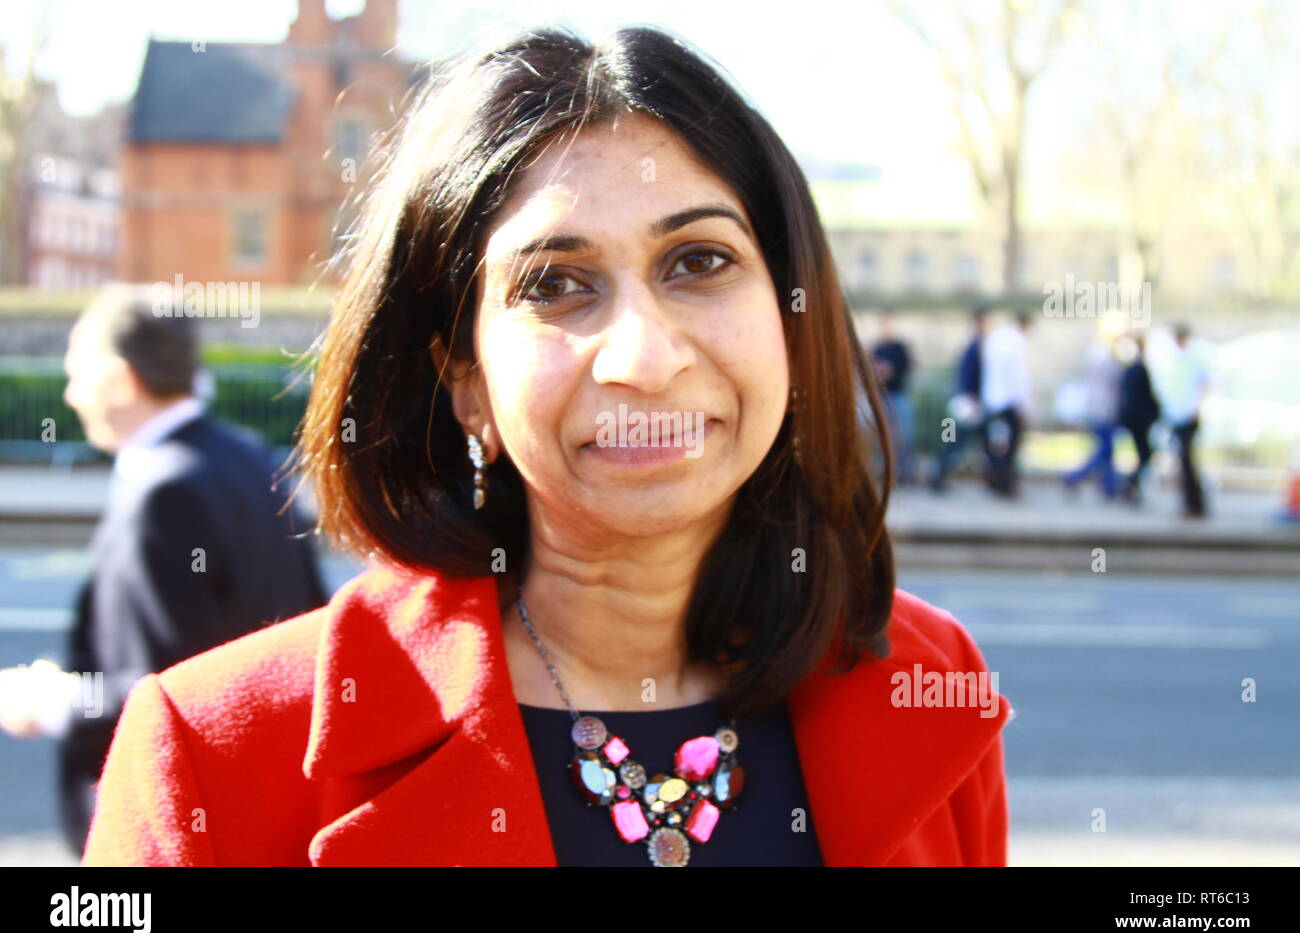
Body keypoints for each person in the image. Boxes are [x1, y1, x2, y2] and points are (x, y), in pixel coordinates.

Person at [81, 25, 1010, 867]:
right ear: (465, 377)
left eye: (699, 262)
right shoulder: (213, 755)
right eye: (557, 284)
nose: (644, 358)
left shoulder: (930, 684)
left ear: (790, 318)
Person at [0, 284, 329, 858]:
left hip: (181, 829)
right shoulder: (249, 455)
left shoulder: (162, 491)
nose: (71, 394)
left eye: (77, 373)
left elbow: (162, 690)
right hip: (267, 807)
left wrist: (50, 702)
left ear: (120, 380)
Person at [1156, 322, 1211, 518]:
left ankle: (1194, 503)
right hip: (1177, 414)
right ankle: (1190, 502)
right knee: (1182, 461)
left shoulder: (1195, 358)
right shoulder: (1174, 358)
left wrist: (1195, 408)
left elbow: (1205, 383)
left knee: (1187, 461)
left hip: (1188, 415)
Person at [930, 307, 987, 493]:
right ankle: (937, 477)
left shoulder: (973, 346)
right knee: (952, 441)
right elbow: (968, 376)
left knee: (953, 440)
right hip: (965, 404)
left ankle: (939, 476)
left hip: (963, 402)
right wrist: (973, 396)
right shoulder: (974, 348)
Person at [1062, 329, 1123, 499]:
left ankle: (1109, 486)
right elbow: (1115, 377)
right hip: (1103, 411)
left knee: (1107, 451)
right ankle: (1074, 476)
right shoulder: (1104, 357)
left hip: (1100, 409)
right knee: (1104, 450)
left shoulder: (1098, 355)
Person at [980, 311, 1034, 498]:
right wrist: (1024, 406)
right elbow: (1018, 377)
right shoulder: (1017, 342)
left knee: (996, 444)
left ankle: (995, 480)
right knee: (1009, 448)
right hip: (1009, 403)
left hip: (992, 401)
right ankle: (1006, 484)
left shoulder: (995, 339)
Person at [872, 311, 916, 486]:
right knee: (885, 436)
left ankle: (906, 471)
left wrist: (890, 371)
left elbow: (906, 367)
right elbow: (873, 371)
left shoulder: (899, 348)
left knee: (905, 434)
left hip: (898, 396)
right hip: (883, 397)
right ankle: (890, 471)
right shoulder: (878, 349)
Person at [1116, 334, 1161, 504]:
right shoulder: (1138, 370)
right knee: (1145, 453)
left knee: (1144, 453)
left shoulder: (1131, 369)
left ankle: (1131, 484)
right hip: (1139, 419)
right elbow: (1145, 396)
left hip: (1135, 418)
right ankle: (1130, 484)